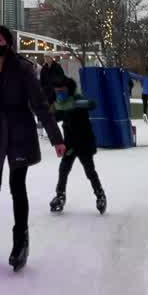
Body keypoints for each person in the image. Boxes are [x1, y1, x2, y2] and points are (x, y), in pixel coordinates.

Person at [0, 25, 65, 271]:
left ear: (8, 43)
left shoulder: (23, 68)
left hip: (20, 129)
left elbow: (39, 104)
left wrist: (56, 137)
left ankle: (21, 242)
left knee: (17, 187)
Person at [49, 77, 106, 215]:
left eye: (61, 91)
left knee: (89, 171)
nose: (59, 94)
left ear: (68, 90)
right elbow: (56, 116)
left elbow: (91, 105)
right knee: (64, 169)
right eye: (57, 91)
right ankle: (60, 195)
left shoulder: (77, 100)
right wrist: (48, 111)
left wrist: (77, 105)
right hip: (69, 142)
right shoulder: (61, 103)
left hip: (83, 142)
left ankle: (100, 195)